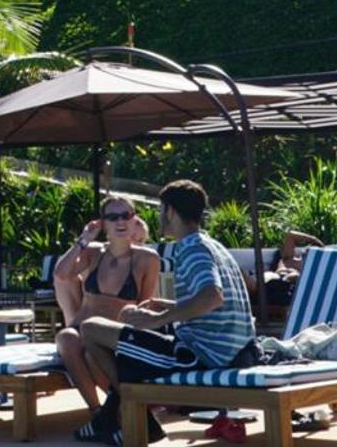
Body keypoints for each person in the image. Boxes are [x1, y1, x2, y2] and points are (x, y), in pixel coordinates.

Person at [75, 180, 256, 445]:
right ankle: (115, 417)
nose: (159, 216)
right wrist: (165, 306)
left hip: (202, 356)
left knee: (90, 329)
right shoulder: (212, 245)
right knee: (122, 330)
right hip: (232, 350)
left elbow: (212, 296)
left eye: (162, 210)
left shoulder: (193, 249)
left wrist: (159, 319)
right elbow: (217, 301)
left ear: (170, 211)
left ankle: (139, 419)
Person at [54, 200, 162, 409]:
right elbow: (62, 274)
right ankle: (96, 411)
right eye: (113, 217)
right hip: (80, 329)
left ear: (134, 219)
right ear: (103, 223)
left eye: (126, 215)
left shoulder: (147, 258)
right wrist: (83, 240)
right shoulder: (93, 252)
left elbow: (145, 304)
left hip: (112, 334)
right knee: (67, 337)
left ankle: (123, 407)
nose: (120, 221)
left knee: (91, 352)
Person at [264, 229, 325, 303]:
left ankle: (284, 281)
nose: (308, 247)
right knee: (267, 276)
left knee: (295, 275)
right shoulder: (289, 257)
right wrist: (313, 239)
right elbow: (290, 235)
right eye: (310, 246)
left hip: (289, 284)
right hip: (274, 277)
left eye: (312, 249)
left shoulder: (311, 267)